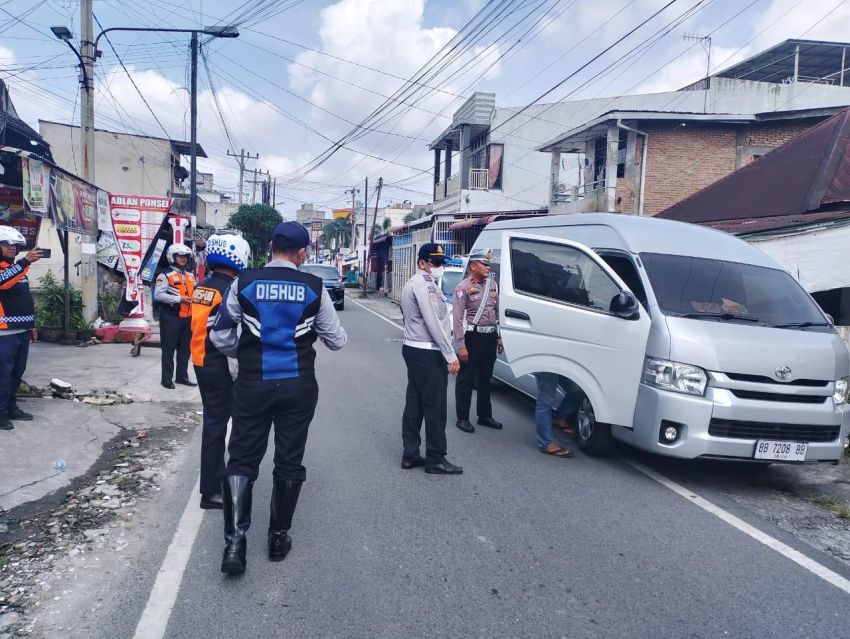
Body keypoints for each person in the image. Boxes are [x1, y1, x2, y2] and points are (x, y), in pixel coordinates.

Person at [210, 222, 347, 575]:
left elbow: (221, 335)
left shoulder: (245, 282)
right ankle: (277, 539)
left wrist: (247, 355)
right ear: (303, 253)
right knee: (289, 460)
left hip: (253, 384)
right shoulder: (314, 287)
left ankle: (235, 546)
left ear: (270, 246)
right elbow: (337, 340)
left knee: (241, 459)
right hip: (298, 386)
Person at [190, 232, 251, 510]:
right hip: (219, 362)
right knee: (219, 425)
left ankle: (214, 484)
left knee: (214, 423)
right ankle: (212, 490)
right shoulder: (229, 290)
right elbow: (227, 331)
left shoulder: (202, 286)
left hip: (201, 360)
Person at [400, 243, 463, 475]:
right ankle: (435, 458)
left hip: (414, 349)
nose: (439, 266)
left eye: (441, 262)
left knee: (414, 404)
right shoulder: (424, 286)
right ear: (422, 263)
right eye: (435, 262)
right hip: (428, 351)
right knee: (435, 408)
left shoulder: (414, 283)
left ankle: (410, 454)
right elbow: (433, 322)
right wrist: (450, 354)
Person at [452, 249, 503, 434]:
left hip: (489, 336)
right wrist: (461, 346)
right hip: (472, 338)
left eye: (489, 264)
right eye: (485, 264)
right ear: (473, 266)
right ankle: (462, 418)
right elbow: (457, 319)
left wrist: (499, 336)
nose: (488, 267)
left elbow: (496, 313)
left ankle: (484, 415)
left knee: (485, 377)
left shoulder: (493, 285)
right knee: (466, 378)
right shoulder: (462, 288)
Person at [0, 227, 41, 432]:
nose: (12, 248)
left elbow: (24, 298)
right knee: (3, 375)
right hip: (3, 332)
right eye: (6, 244)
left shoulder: (16, 268)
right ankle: (1, 413)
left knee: (17, 372)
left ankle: (11, 406)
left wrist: (31, 325)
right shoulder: (7, 270)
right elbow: (4, 283)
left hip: (21, 330)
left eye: (14, 245)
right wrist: (26, 261)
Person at [154, 243, 197, 389]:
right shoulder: (165, 275)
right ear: (172, 257)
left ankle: (182, 377)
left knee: (185, 349)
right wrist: (179, 299)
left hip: (188, 317)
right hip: (170, 317)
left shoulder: (191, 275)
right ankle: (166, 379)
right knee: (169, 349)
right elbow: (158, 295)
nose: (183, 259)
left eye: (185, 257)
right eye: (180, 256)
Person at [533, 373, 580, 458]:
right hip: (548, 363)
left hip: (564, 363)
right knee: (545, 400)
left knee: (578, 390)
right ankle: (546, 443)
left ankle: (560, 419)